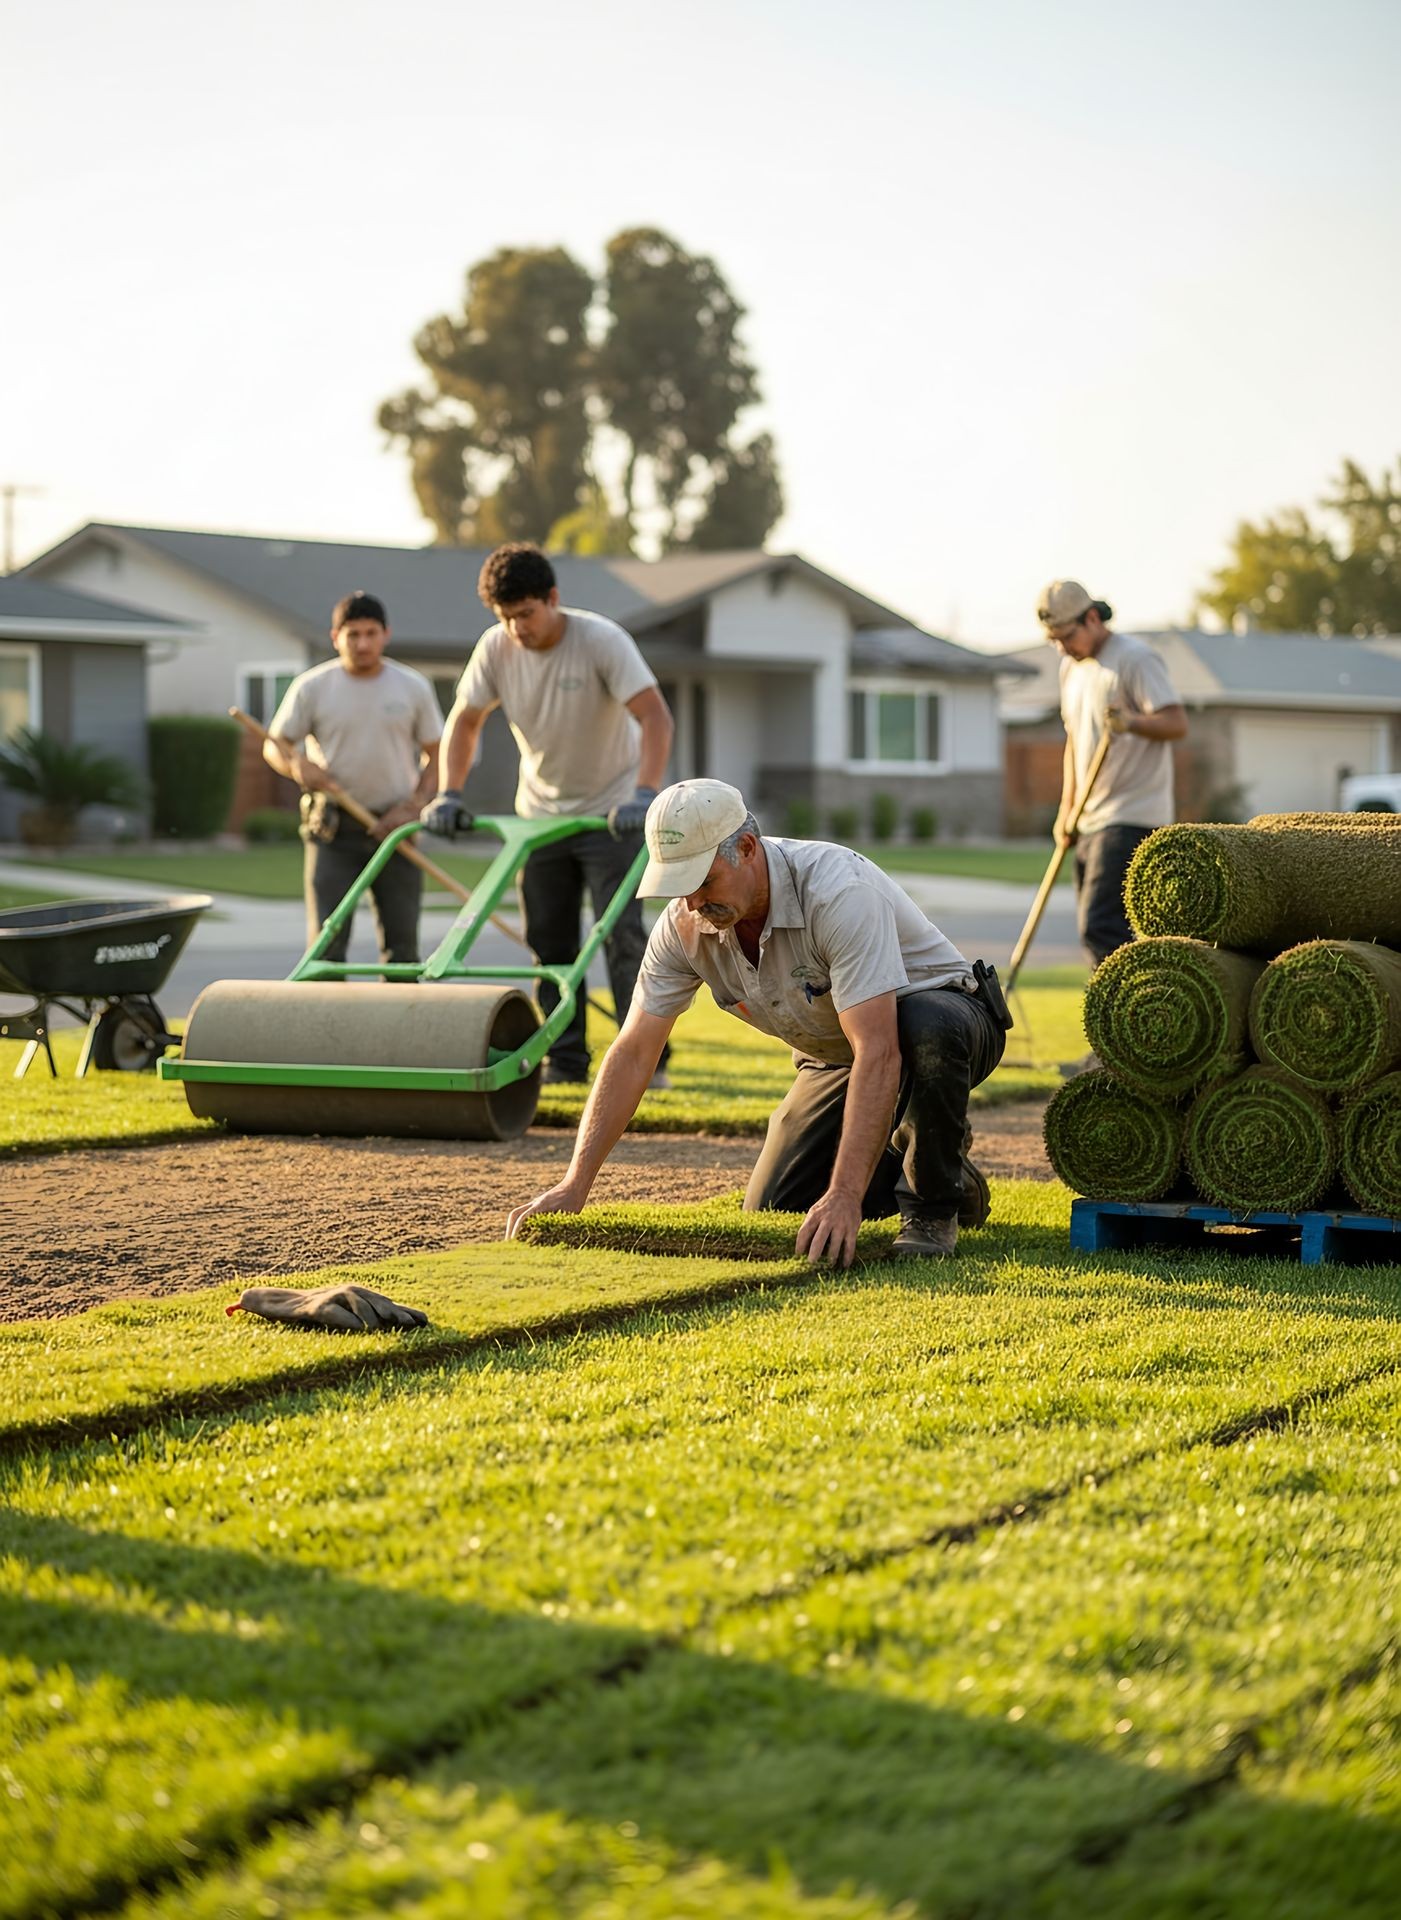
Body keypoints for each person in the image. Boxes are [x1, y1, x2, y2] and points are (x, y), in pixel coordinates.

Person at [505, 779, 1010, 1264]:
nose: (693, 903)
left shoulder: (837, 892)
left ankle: (932, 1206)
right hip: (836, 1054)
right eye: (678, 887)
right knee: (777, 1207)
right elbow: (635, 1051)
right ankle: (938, 1165)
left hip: (946, 1020)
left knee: (922, 1030)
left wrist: (844, 1195)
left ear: (747, 847)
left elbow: (879, 1051)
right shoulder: (684, 925)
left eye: (703, 881)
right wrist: (575, 1185)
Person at [422, 543, 675, 1087]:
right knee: (549, 944)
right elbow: (464, 723)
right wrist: (450, 793)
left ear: (553, 599)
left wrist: (644, 792)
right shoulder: (495, 649)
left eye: (526, 615)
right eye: (506, 618)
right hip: (539, 816)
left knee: (624, 938)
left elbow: (654, 716)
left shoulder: (601, 640)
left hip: (612, 816)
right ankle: (565, 1061)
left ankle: (648, 1063)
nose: (517, 629)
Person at [265, 590, 442, 967]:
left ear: (386, 634)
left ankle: (397, 1024)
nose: (362, 643)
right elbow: (275, 744)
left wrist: (414, 807)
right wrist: (296, 766)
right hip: (333, 829)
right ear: (335, 637)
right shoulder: (313, 687)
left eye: (370, 634)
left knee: (403, 950)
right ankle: (329, 1024)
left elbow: (439, 754)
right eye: (353, 635)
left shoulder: (411, 687)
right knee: (327, 948)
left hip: (396, 830)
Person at [1038, 580, 1189, 967]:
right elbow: (1075, 744)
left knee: (1100, 926)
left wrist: (1132, 722)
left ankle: (1124, 1011)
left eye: (1066, 636)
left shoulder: (1136, 659)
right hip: (1089, 819)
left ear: (1092, 618)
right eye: (1053, 640)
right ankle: (1124, 1011)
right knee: (1098, 930)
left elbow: (1176, 723)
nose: (1061, 647)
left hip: (1131, 815)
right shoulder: (1071, 669)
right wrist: (1066, 811)